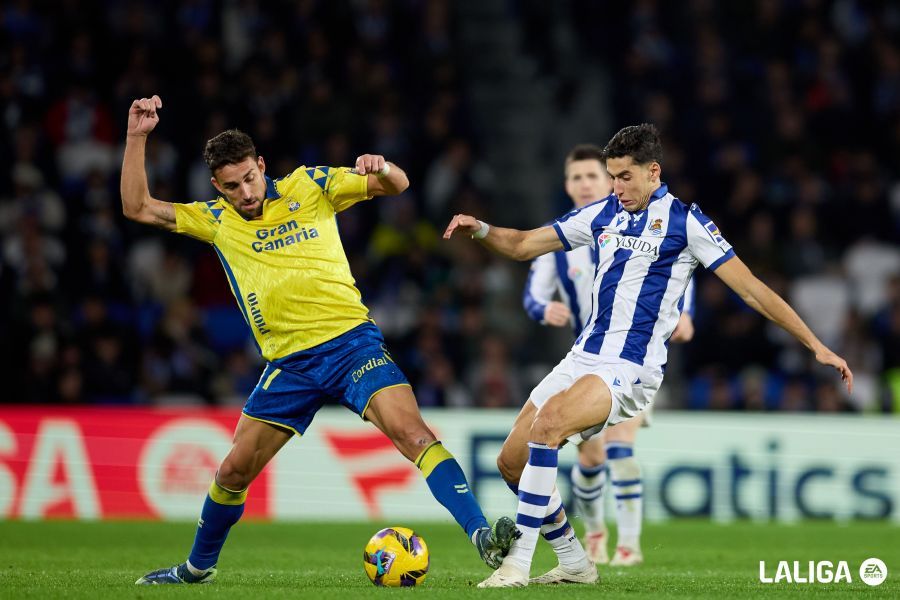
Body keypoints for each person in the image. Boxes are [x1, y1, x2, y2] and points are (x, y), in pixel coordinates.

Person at [121, 95, 518, 585]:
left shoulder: (309, 185)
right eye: (232, 186)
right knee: (232, 472)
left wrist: (382, 166)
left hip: (352, 345)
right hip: (290, 364)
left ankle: (482, 537)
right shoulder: (215, 219)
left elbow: (398, 184)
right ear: (217, 187)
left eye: (249, 178)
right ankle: (196, 569)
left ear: (261, 165)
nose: (245, 192)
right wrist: (136, 137)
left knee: (414, 435)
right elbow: (137, 207)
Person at [443, 123, 853, 588]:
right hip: (582, 356)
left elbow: (752, 290)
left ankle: (517, 564)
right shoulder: (603, 213)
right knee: (511, 462)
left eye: (624, 177)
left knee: (549, 424)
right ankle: (575, 562)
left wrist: (815, 345)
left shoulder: (686, 222)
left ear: (653, 171)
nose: (616, 187)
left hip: (630, 367)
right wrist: (481, 229)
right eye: (612, 177)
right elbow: (522, 245)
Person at [522, 144, 695, 567]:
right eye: (576, 177)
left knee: (620, 446)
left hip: (632, 359)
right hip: (585, 359)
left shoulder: (647, 227)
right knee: (590, 457)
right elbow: (532, 296)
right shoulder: (562, 238)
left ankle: (629, 546)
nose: (585, 184)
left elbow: (678, 270)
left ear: (611, 182)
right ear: (567, 185)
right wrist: (544, 310)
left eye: (593, 177)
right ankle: (595, 532)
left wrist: (687, 314)